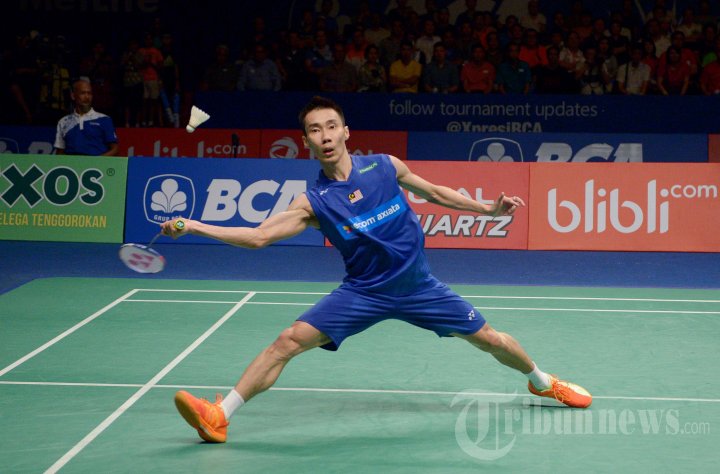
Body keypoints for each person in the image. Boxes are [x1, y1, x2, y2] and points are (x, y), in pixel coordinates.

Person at [165, 96, 592, 444]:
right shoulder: (314, 202)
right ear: (306, 141)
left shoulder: (384, 166)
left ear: (346, 132)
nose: (325, 135)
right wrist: (196, 225)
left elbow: (435, 192)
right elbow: (259, 236)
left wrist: (488, 210)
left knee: (490, 339)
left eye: (331, 126)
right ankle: (220, 415)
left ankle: (541, 381)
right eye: (315, 130)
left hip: (419, 287)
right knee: (287, 342)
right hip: (363, 293)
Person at [54, 78, 118, 156]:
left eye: (89, 93)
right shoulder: (63, 122)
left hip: (97, 163)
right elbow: (59, 153)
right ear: (73, 96)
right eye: (83, 93)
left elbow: (115, 149)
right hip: (72, 163)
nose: (87, 97)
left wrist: (96, 161)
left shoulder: (105, 119)